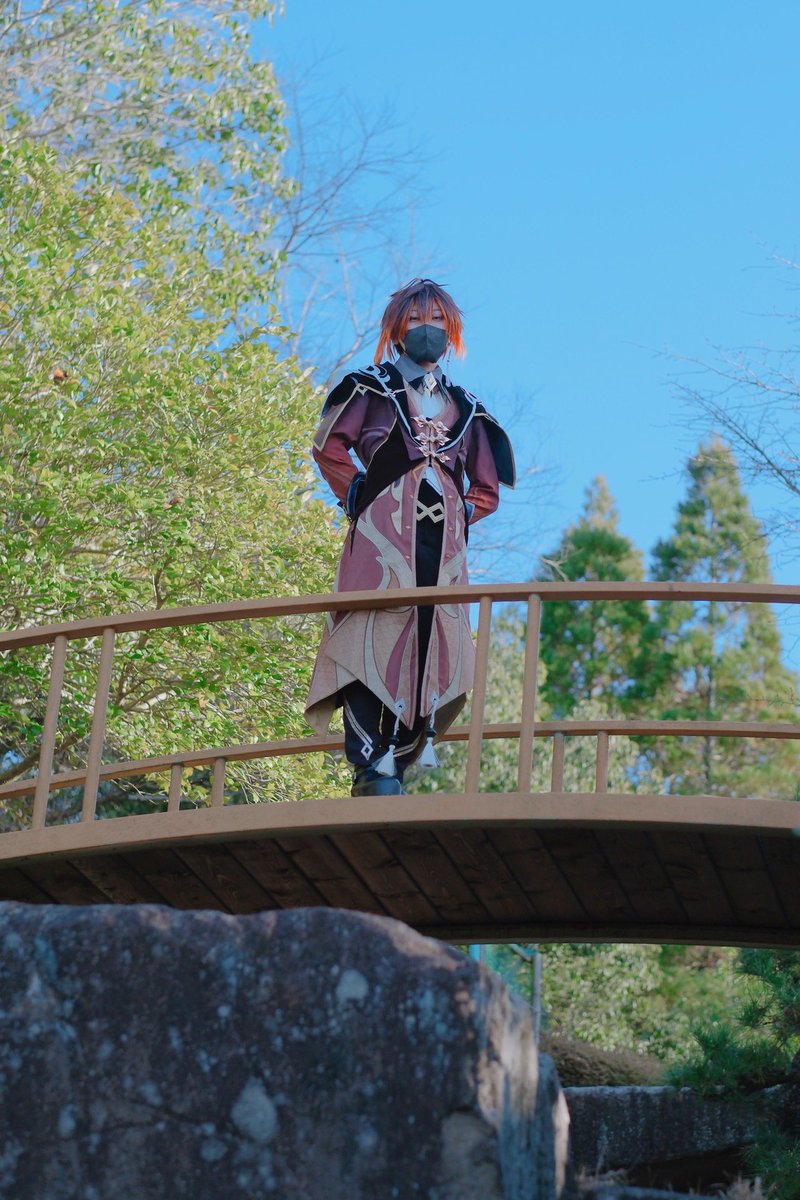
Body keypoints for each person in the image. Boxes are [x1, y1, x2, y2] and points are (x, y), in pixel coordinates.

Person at [305, 278, 515, 796]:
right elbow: (328, 447)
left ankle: (400, 760)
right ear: (398, 329)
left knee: (434, 641)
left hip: (442, 553)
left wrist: (459, 513)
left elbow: (487, 488)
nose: (429, 329)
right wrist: (357, 492)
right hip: (382, 541)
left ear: (453, 331)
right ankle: (369, 766)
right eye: (418, 320)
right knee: (368, 631)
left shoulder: (467, 407)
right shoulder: (370, 387)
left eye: (439, 321)